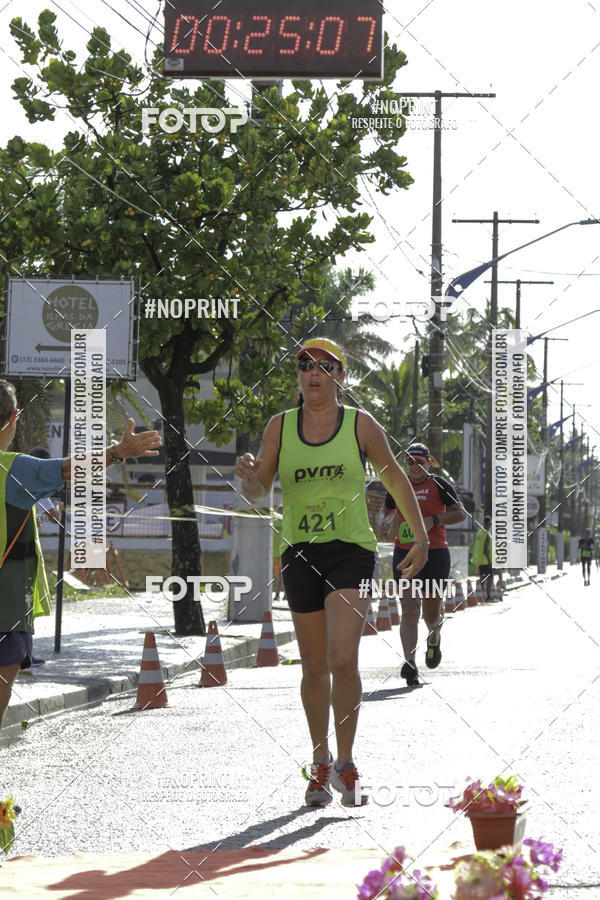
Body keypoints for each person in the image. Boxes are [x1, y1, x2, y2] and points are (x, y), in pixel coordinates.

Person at [234, 338, 428, 808]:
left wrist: (420, 538)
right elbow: (259, 491)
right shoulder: (280, 426)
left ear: (340, 376)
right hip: (300, 552)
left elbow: (395, 478)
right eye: (305, 365)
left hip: (352, 553)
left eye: (324, 366)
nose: (313, 373)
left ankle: (346, 762)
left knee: (343, 659)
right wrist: (249, 478)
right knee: (315, 666)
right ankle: (319, 762)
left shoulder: (361, 425)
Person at [0, 379, 162, 729]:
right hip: (5, 609)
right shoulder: (11, 469)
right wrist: (117, 452)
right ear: (14, 418)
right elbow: (65, 468)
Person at [382, 443, 466, 686]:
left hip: (435, 555)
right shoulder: (399, 484)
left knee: (431, 613)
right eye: (410, 462)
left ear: (428, 463)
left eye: (419, 462)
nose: (414, 466)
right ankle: (409, 663)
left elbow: (460, 514)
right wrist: (385, 520)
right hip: (405, 554)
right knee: (409, 609)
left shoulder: (439, 485)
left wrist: (434, 520)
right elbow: (388, 509)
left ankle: (434, 636)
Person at [471, 516, 494, 601]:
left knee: (482, 578)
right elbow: (485, 549)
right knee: (490, 578)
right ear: (489, 524)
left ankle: (481, 596)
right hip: (486, 560)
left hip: (479, 560)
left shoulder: (479, 533)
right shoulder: (487, 534)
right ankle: (488, 596)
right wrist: (489, 561)